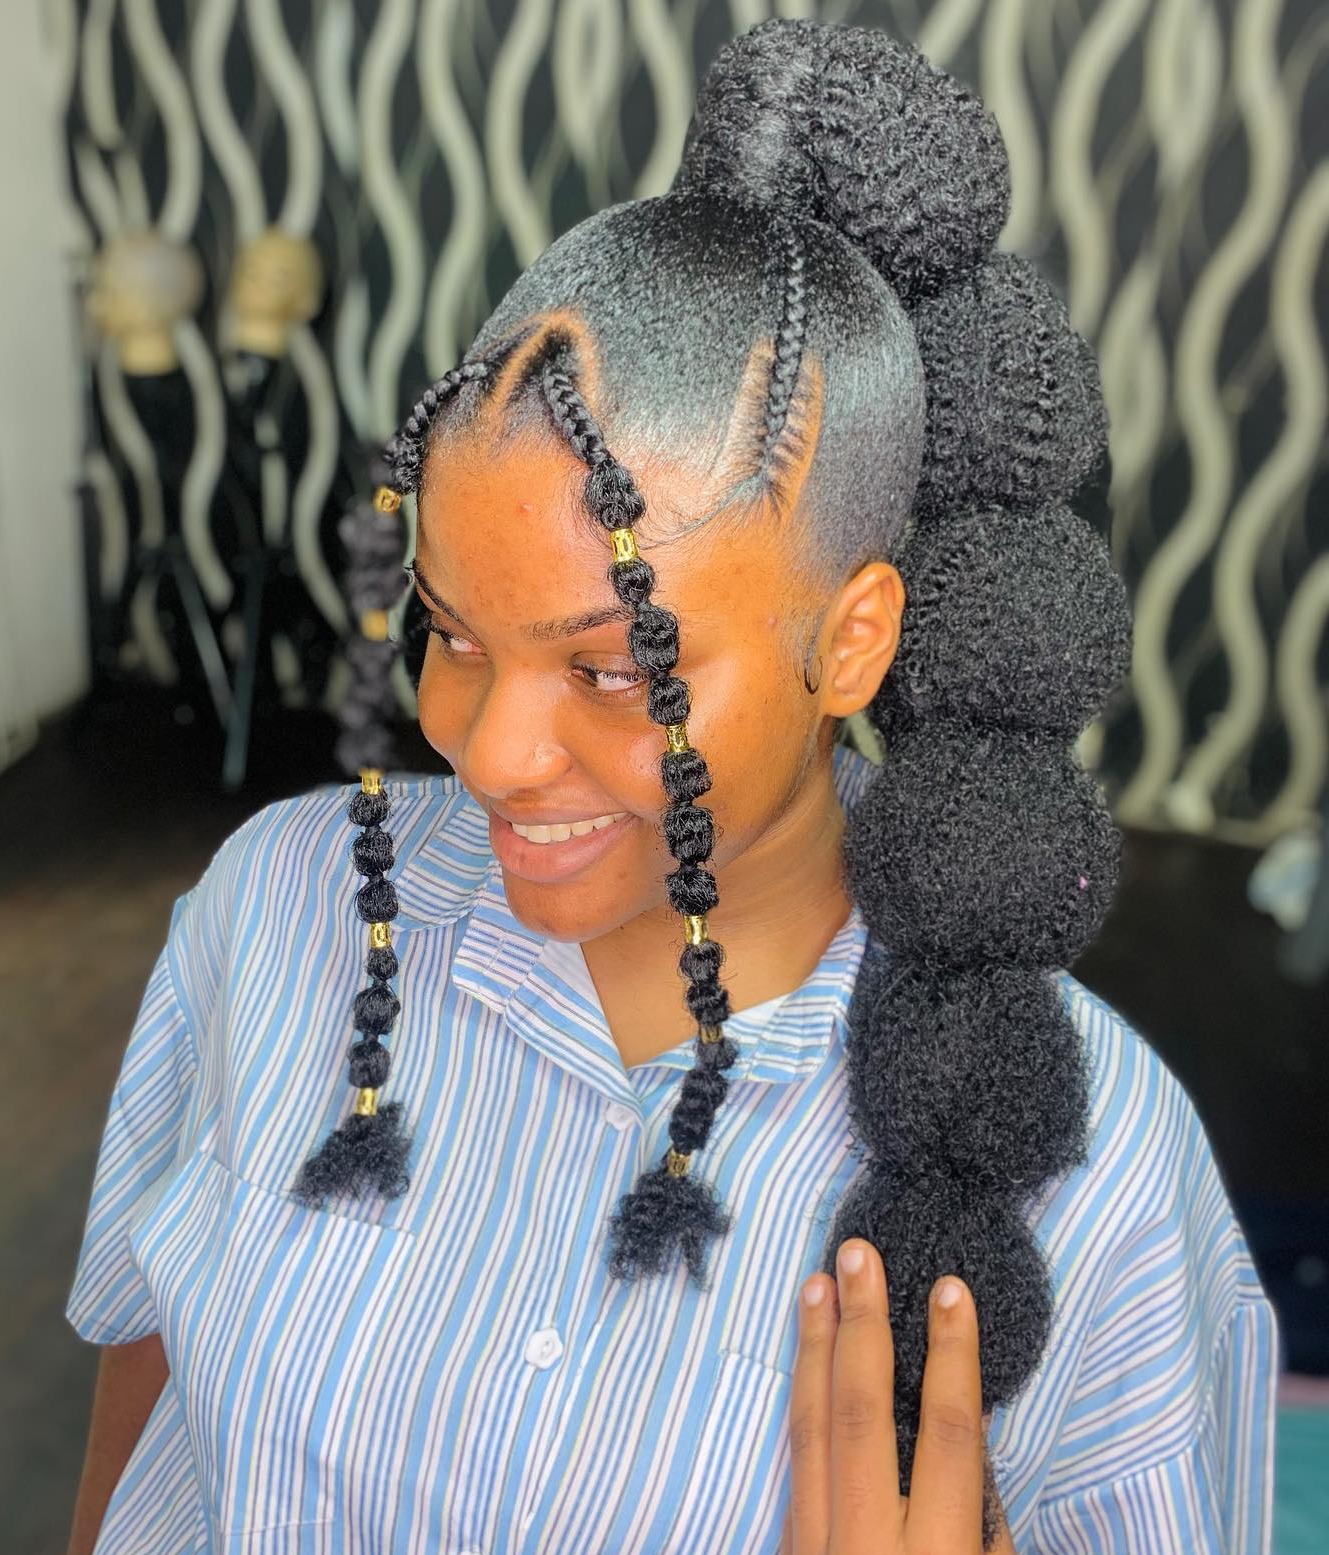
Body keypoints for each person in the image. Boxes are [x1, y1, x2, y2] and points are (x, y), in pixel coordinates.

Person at [64, 19, 1277, 1555]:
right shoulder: (281, 907)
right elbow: (145, 1391)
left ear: (852, 642)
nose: (487, 753)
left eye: (615, 672)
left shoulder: (1086, 1179)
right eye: (449, 634)